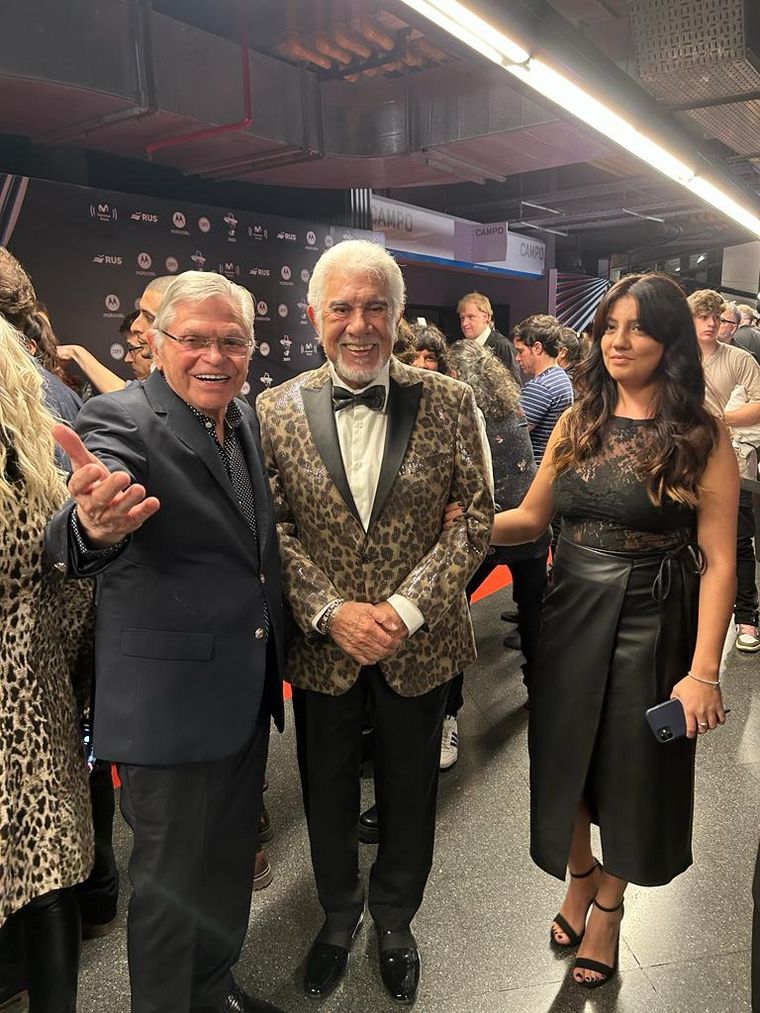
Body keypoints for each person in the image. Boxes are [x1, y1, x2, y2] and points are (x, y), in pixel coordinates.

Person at [476, 272, 737, 988]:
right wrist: (458, 524)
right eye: (608, 326)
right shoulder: (578, 418)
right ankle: (579, 873)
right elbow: (530, 520)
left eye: (637, 327)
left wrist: (703, 670)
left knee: (632, 768)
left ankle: (610, 907)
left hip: (657, 611)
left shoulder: (699, 431)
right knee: (564, 760)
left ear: (669, 339)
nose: (618, 341)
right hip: (568, 608)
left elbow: (719, 563)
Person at [257, 239, 492, 1005]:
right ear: (314, 315)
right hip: (325, 648)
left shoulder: (450, 399)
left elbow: (476, 519)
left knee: (410, 785)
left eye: (375, 307)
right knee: (324, 788)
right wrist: (331, 611)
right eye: (342, 308)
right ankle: (335, 914)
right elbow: (274, 530)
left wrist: (402, 608)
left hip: (418, 644)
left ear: (398, 314)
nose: (359, 325)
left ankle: (395, 917)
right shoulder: (274, 406)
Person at [46, 271, 286, 1013]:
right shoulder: (121, 416)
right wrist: (93, 522)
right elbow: (79, 525)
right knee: (169, 894)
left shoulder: (240, 417)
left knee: (222, 876)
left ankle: (212, 994)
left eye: (232, 340)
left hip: (242, 696)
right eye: (195, 339)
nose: (214, 355)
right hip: (168, 716)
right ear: (157, 341)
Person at [0, 316, 95, 1013]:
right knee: (46, 878)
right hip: (39, 691)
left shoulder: (33, 454)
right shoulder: (32, 453)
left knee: (45, 878)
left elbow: (67, 578)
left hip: (33, 698)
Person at [443, 339, 550, 755]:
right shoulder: (514, 409)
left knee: (452, 616)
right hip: (527, 532)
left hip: (486, 532)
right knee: (533, 614)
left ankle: (448, 715)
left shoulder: (467, 418)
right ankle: (541, 694)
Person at [688, 288, 760, 654]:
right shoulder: (677, 358)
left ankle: (747, 616)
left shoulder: (739, 359)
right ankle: (693, 614)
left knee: (737, 540)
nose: (712, 322)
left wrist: (719, 420)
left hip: (730, 458)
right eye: (704, 316)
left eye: (716, 317)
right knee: (687, 537)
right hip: (685, 463)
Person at [513, 314, 574, 464]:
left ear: (537, 348)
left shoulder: (541, 386)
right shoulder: (561, 377)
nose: (517, 358)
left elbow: (511, 433)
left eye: (521, 351)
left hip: (536, 471)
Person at [457, 290, 520, 382]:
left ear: (486, 317)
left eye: (471, 317)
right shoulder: (462, 348)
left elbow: (514, 387)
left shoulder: (502, 346)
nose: (464, 323)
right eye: (462, 318)